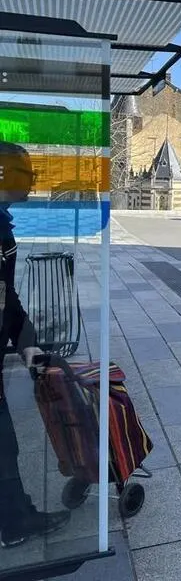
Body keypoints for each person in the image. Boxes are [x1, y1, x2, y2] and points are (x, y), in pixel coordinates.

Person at [0, 142, 71, 549]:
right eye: (26, 173)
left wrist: (28, 344)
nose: (32, 181)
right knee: (3, 445)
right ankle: (15, 522)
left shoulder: (2, 226)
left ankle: (14, 519)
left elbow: (6, 296)